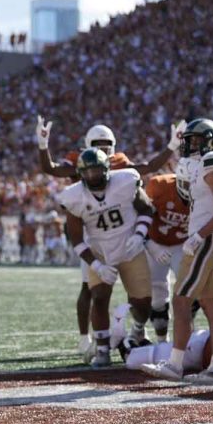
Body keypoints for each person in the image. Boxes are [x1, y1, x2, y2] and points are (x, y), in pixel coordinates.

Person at [36, 116, 182, 360]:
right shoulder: (79, 167)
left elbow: (147, 170)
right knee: (93, 290)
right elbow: (51, 168)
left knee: (137, 289)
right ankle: (89, 340)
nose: (103, 149)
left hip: (126, 235)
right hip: (92, 236)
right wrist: (42, 146)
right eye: (98, 143)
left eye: (107, 144)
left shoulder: (121, 168)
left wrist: (171, 147)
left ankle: (135, 329)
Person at [141, 118, 213, 384]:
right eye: (189, 140)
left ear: (210, 140)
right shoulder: (199, 164)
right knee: (210, 305)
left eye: (197, 140)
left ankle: (175, 365)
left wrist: (199, 236)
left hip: (209, 239)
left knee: (181, 300)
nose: (191, 144)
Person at [58, 148, 155, 367]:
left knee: (143, 304)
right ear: (81, 173)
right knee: (99, 297)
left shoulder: (125, 181)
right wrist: (96, 264)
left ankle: (138, 329)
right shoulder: (74, 197)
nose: (93, 176)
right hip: (100, 251)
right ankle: (102, 349)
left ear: (107, 169)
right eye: (88, 172)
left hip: (131, 248)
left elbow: (147, 209)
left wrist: (140, 234)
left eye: (97, 171)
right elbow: (76, 240)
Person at [142, 158, 192, 342]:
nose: (189, 188)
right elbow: (140, 217)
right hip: (156, 242)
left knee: (192, 289)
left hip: (183, 245)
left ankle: (186, 336)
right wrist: (150, 245)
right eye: (185, 182)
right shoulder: (159, 185)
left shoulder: (205, 190)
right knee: (157, 296)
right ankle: (162, 340)